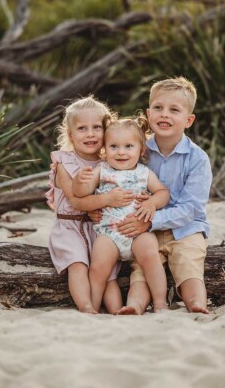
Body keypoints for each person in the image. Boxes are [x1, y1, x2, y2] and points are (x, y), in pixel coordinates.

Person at [115, 77, 213, 315]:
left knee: (188, 261)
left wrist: (151, 220)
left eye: (174, 110)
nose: (164, 115)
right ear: (149, 114)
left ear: (188, 120)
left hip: (186, 228)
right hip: (147, 230)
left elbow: (191, 208)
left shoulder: (197, 159)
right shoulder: (138, 151)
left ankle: (196, 304)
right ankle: (135, 305)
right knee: (141, 266)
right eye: (158, 108)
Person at [72, 114, 170, 313]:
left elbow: (163, 193)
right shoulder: (102, 170)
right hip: (109, 233)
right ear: (104, 149)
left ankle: (160, 303)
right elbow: (80, 193)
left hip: (139, 233)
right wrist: (79, 181)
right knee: (98, 266)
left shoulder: (144, 173)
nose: (121, 152)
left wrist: (152, 202)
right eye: (114, 147)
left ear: (141, 150)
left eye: (128, 147)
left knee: (151, 257)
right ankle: (93, 305)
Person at [46, 96, 135, 314]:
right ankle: (87, 307)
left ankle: (117, 310)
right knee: (78, 264)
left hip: (99, 228)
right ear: (70, 135)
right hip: (70, 228)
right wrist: (106, 200)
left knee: (108, 273)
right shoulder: (64, 163)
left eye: (97, 127)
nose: (90, 134)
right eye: (82, 128)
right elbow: (75, 200)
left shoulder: (110, 161)